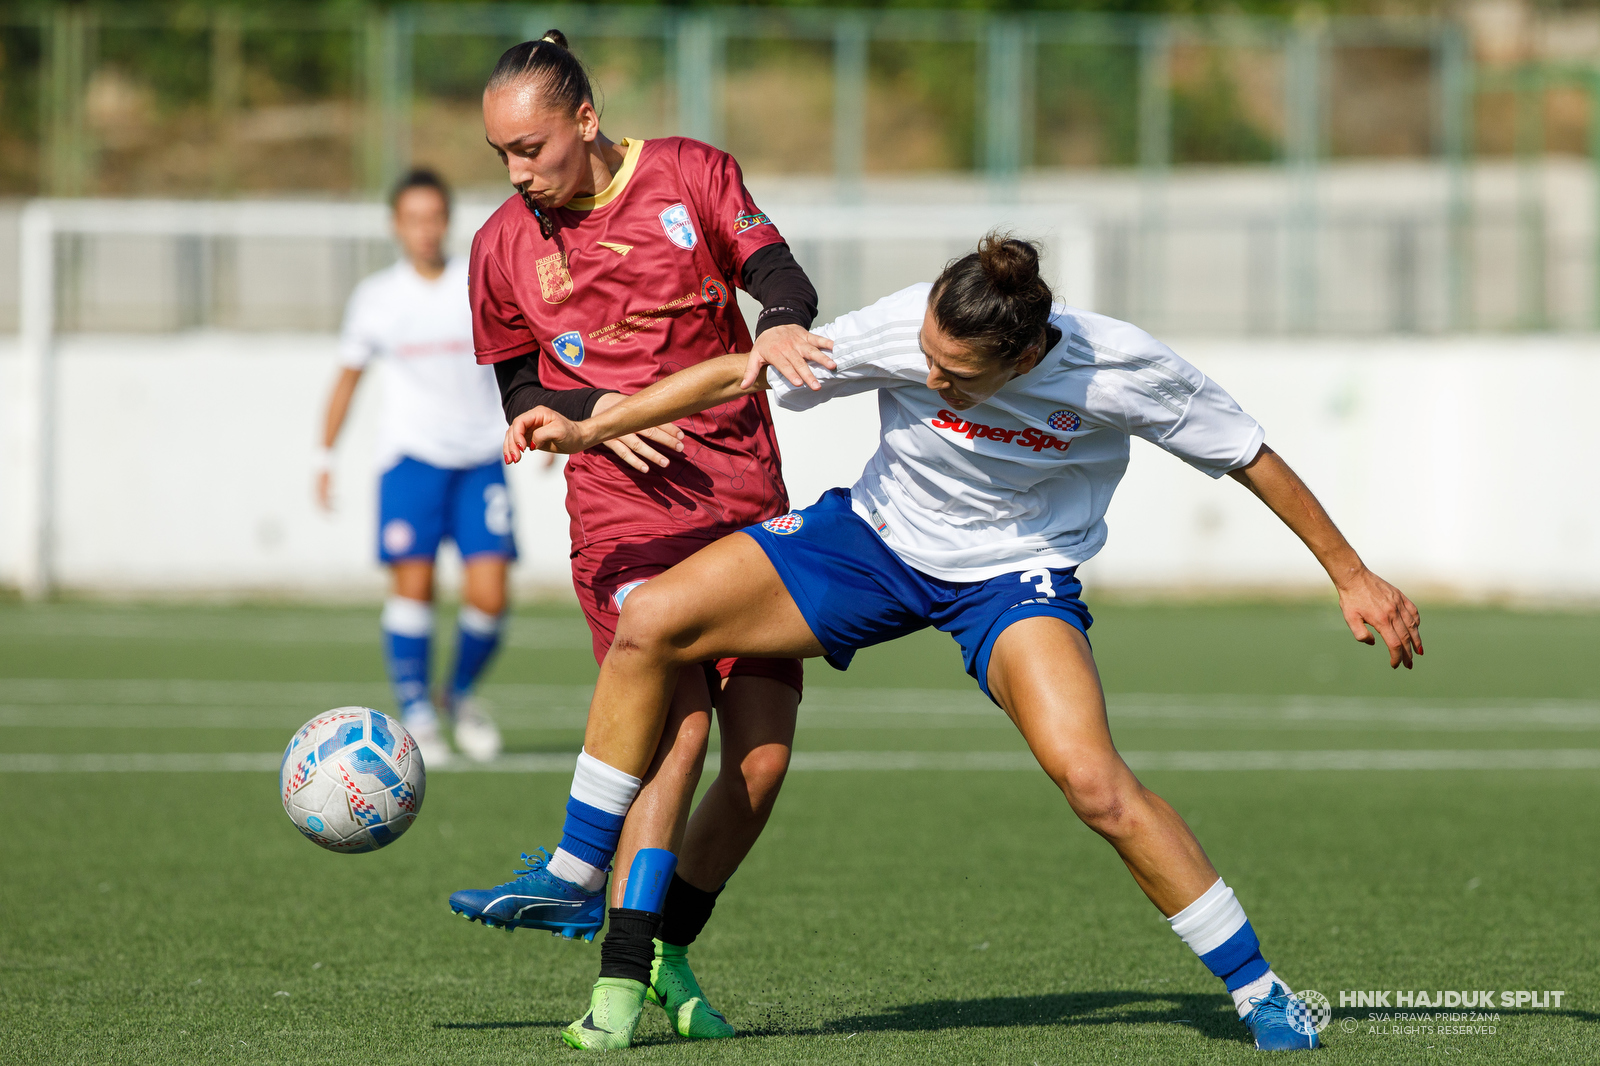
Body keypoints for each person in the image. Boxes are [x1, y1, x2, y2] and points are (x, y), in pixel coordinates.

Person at [508, 233, 1425, 1051]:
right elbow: (740, 374)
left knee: (1096, 785)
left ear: (1025, 355)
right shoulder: (914, 324)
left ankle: (1262, 993)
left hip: (1013, 576)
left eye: (956, 373)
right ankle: (579, 867)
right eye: (927, 358)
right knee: (653, 619)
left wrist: (1352, 574)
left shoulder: (1125, 370)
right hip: (872, 543)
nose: (931, 376)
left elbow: (1250, 457)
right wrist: (594, 425)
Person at [443, 31, 837, 1041]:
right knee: (680, 736)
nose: (518, 171)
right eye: (501, 154)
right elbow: (522, 385)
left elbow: (780, 277)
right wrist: (603, 412)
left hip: (743, 500)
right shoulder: (499, 246)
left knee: (760, 764)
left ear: (587, 116)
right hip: (623, 520)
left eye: (532, 146)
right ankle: (614, 982)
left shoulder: (691, 174)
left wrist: (782, 322)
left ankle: (663, 939)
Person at [318, 168, 514, 767]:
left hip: (482, 457)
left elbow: (521, 358)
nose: (425, 230)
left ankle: (454, 694)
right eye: (413, 219)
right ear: (395, 225)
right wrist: (323, 456)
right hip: (410, 460)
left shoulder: (477, 283)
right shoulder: (377, 297)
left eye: (435, 218)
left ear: (448, 222)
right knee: (416, 586)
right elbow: (348, 379)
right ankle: (417, 713)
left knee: (489, 595)